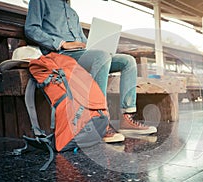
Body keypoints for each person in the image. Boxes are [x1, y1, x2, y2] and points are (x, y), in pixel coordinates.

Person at [24, 0, 157, 143]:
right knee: (101, 57)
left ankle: (126, 117)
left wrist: (95, 45)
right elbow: (31, 29)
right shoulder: (40, 1)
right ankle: (98, 120)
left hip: (82, 54)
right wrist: (62, 43)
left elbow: (82, 41)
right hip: (60, 55)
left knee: (128, 61)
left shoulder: (72, 12)